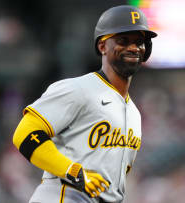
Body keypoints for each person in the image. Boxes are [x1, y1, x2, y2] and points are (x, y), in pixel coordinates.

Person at [12, 5, 157, 203]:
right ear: (102, 46)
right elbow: (25, 134)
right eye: (123, 40)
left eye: (139, 42)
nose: (133, 47)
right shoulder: (78, 89)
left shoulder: (134, 113)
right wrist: (74, 172)